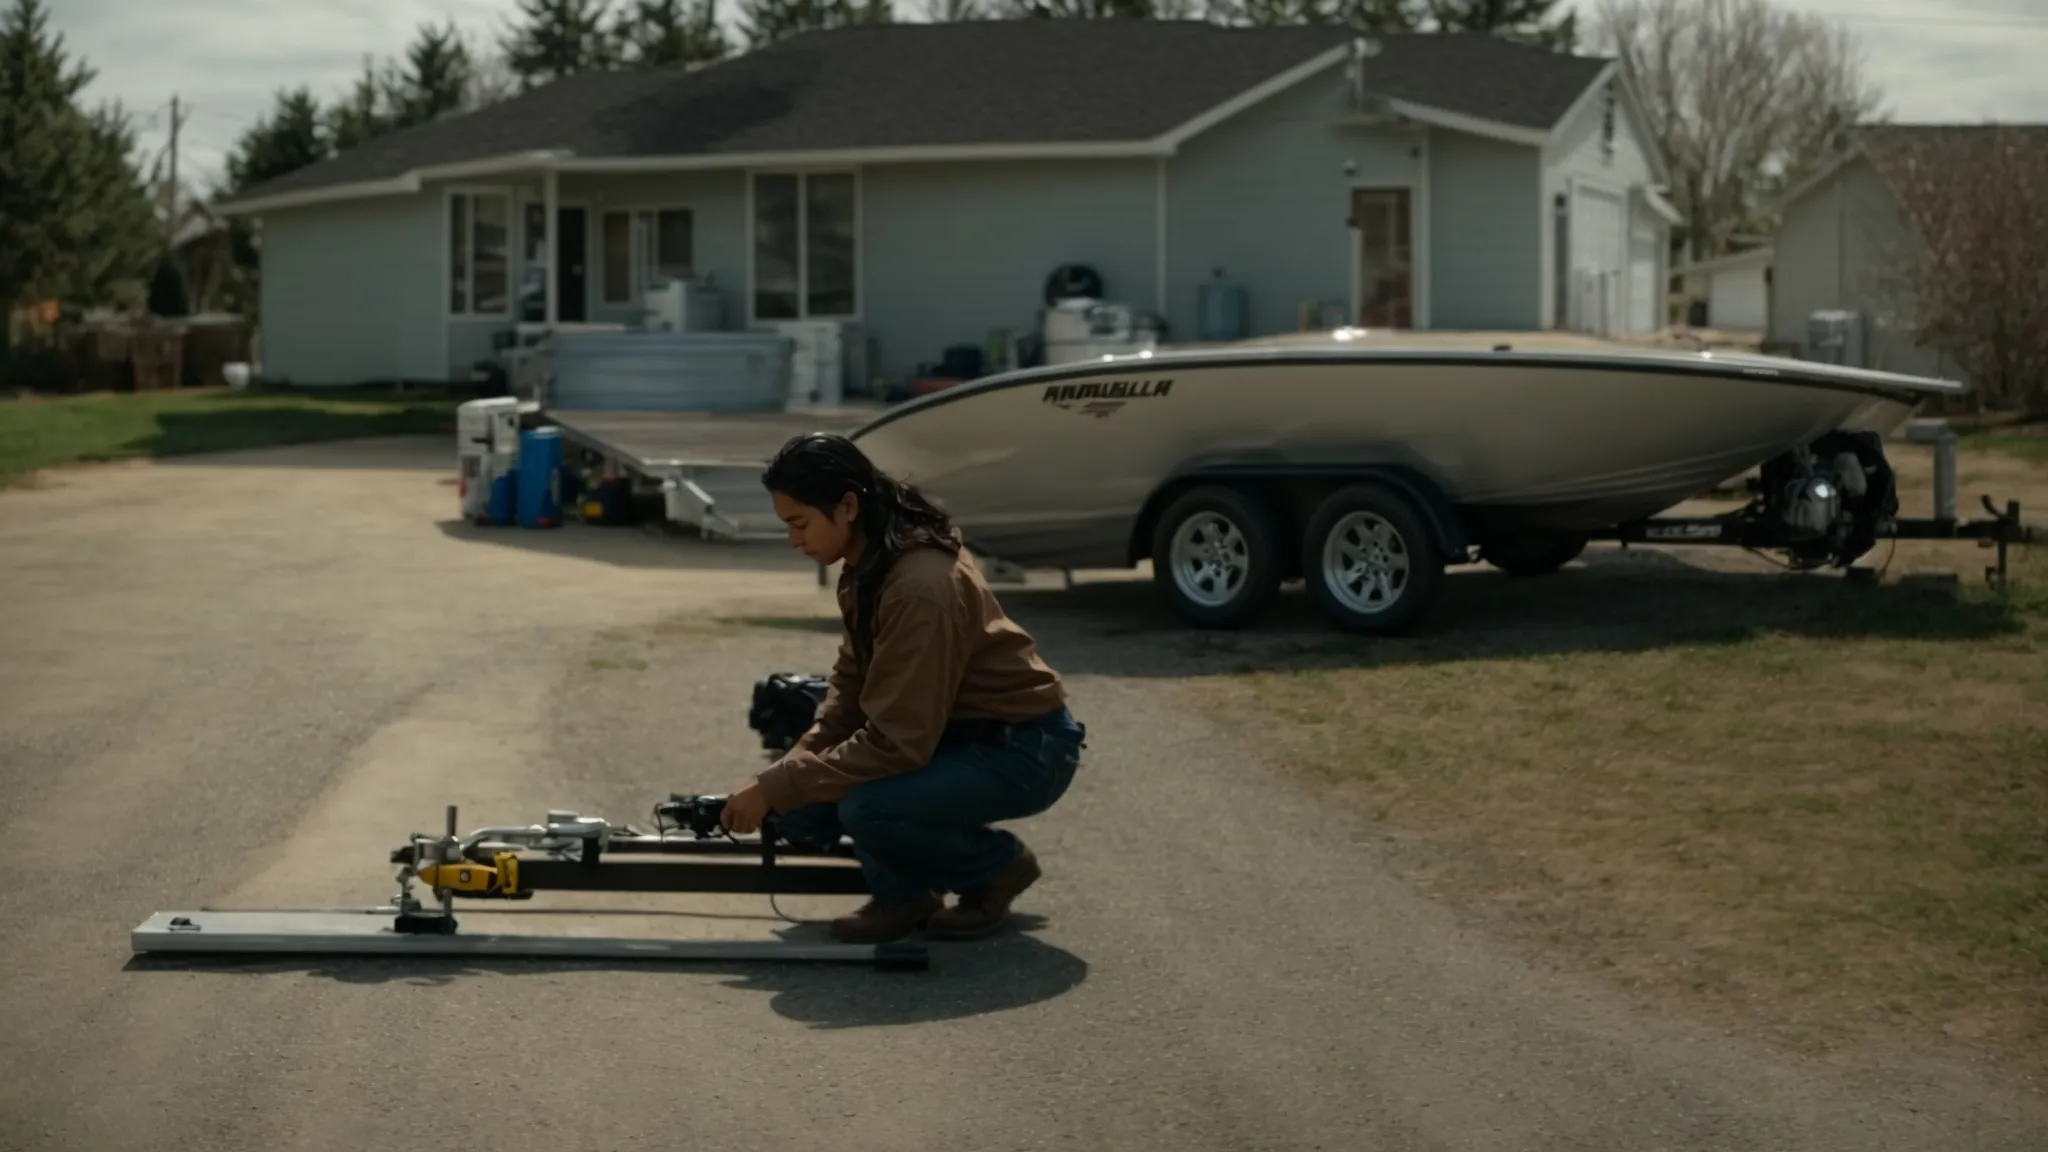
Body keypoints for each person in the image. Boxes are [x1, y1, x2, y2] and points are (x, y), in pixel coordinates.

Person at [717, 432, 1087, 944]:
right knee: (807, 801)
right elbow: (849, 688)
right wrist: (785, 775)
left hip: (1021, 749)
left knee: (866, 804)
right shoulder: (870, 564)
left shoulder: (918, 585)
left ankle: (995, 868)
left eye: (799, 523)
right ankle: (908, 894)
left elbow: (896, 741)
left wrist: (779, 786)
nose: (793, 540)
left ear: (847, 506)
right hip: (958, 738)